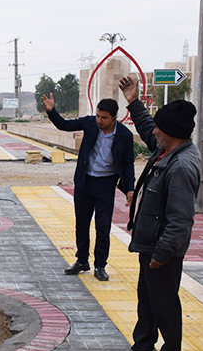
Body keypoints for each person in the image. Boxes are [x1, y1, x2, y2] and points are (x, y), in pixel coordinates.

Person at [114, 76, 200, 351]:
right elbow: (148, 127)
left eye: (160, 129)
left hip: (162, 246)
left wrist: (163, 252)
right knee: (148, 296)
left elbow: (180, 219)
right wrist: (133, 101)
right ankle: (144, 347)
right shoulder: (167, 150)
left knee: (164, 301)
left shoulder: (180, 166)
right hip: (150, 241)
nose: (154, 132)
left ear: (173, 134)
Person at [42, 92, 135, 281]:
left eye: (104, 118)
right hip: (84, 182)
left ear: (114, 118)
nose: (99, 120)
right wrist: (52, 111)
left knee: (103, 227)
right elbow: (64, 125)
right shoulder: (90, 123)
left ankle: (100, 266)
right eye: (98, 115)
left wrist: (130, 189)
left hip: (106, 184)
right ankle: (82, 260)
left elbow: (127, 163)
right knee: (81, 224)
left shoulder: (124, 135)